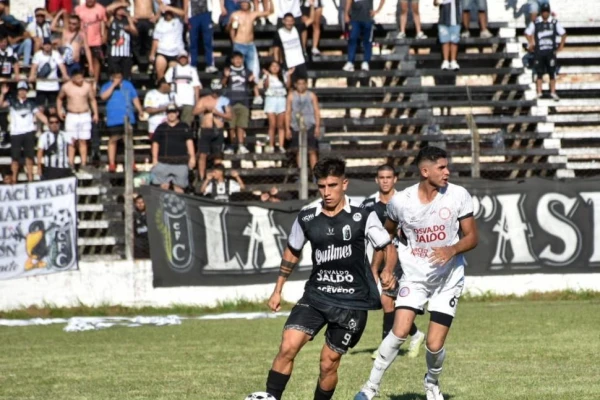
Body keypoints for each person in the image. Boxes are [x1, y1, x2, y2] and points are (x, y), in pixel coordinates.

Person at [265, 157, 397, 400]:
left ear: (344, 184)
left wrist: (387, 271)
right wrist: (277, 289)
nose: (327, 192)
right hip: (317, 296)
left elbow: (387, 245)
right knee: (287, 346)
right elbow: (293, 250)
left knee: (328, 363)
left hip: (352, 304)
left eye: (332, 185)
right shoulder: (307, 217)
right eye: (322, 186)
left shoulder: (362, 215)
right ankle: (271, 397)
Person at [354, 146, 479, 400]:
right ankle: (370, 387)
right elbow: (387, 235)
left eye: (447, 166)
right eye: (441, 167)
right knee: (399, 330)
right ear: (425, 171)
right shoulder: (401, 202)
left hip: (448, 277)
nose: (447, 172)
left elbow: (473, 237)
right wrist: (387, 267)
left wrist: (452, 249)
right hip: (414, 276)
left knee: (434, 345)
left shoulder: (458, 195)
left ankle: (431, 383)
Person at [361, 165, 425, 360]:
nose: (385, 181)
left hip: (402, 257)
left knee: (387, 301)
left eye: (389, 177)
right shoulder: (368, 205)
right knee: (395, 304)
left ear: (395, 179)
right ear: (376, 180)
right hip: (378, 256)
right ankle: (415, 334)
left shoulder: (404, 201)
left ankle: (385, 348)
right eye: (382, 177)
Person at [0, 82, 49, 182]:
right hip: (16, 133)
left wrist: (49, 123)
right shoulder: (12, 101)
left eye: (24, 90)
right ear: (17, 91)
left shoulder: (31, 103)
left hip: (28, 132)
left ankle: (30, 179)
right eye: (20, 90)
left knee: (29, 158)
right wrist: (2, 94)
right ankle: (14, 179)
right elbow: (1, 105)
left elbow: (40, 115)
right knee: (15, 159)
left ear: (27, 91)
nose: (22, 92)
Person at [227, 0, 271, 105]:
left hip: (250, 44)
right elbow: (230, 29)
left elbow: (269, 12)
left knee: (253, 71)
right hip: (239, 43)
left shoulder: (253, 14)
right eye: (242, 2)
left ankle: (256, 95)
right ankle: (235, 94)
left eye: (246, 2)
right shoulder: (235, 14)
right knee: (238, 70)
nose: (244, 4)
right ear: (240, 4)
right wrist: (234, 41)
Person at [100, 69, 144, 172]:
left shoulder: (128, 85)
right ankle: (111, 163)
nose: (118, 79)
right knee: (113, 140)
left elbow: (135, 98)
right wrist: (113, 85)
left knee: (128, 140)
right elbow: (103, 96)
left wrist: (140, 110)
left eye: (119, 77)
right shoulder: (107, 85)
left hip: (127, 117)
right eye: (115, 77)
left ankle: (131, 162)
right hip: (113, 118)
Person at [57, 69, 99, 169]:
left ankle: (83, 163)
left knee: (83, 140)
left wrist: (96, 113)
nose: (80, 80)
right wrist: (59, 111)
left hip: (84, 114)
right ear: (73, 78)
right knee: (71, 141)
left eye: (81, 77)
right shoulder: (66, 87)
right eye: (78, 78)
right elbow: (59, 98)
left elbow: (92, 100)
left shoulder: (87, 86)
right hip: (72, 115)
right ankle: (70, 163)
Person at [525, 2, 566, 101]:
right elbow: (527, 33)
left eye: (547, 12)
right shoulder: (536, 22)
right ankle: (539, 92)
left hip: (550, 52)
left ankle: (553, 92)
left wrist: (561, 47)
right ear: (541, 12)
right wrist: (531, 43)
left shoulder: (554, 22)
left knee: (552, 73)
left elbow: (563, 34)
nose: (545, 14)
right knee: (539, 73)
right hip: (539, 52)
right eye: (543, 12)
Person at [150, 103, 195, 193]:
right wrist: (154, 159)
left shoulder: (184, 127)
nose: (171, 114)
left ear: (177, 113)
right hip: (163, 162)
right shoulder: (161, 127)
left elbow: (189, 142)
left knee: (179, 188)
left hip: (180, 163)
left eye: (173, 112)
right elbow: (155, 143)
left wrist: (192, 157)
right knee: (163, 188)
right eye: (169, 112)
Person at [193, 79, 232, 181]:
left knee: (218, 155)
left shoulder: (224, 100)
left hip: (218, 130)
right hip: (206, 130)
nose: (215, 93)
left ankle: (218, 177)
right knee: (202, 155)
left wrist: (218, 113)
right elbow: (195, 112)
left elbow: (229, 116)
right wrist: (205, 108)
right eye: (214, 91)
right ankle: (202, 178)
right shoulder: (204, 100)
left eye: (217, 91)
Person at [222, 51, 255, 155]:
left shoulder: (247, 71)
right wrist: (226, 76)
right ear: (232, 60)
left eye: (240, 58)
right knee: (231, 126)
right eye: (236, 58)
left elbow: (252, 84)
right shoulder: (228, 70)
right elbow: (222, 84)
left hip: (243, 101)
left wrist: (252, 80)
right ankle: (232, 145)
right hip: (230, 102)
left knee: (241, 125)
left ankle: (241, 145)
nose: (238, 60)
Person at [286, 77, 320, 170]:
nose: (301, 86)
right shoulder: (291, 96)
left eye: (303, 83)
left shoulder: (311, 95)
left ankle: (315, 173)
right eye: (299, 84)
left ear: (306, 84)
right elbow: (288, 112)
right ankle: (301, 171)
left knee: (312, 150)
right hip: (296, 126)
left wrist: (317, 126)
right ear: (296, 85)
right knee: (299, 150)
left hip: (310, 125)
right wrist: (287, 128)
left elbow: (316, 111)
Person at [29, 37, 68, 115]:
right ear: (43, 46)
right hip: (41, 86)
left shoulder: (56, 54)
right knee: (40, 108)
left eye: (48, 44)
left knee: (52, 108)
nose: (47, 46)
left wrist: (65, 75)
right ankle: (39, 126)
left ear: (51, 45)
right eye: (45, 45)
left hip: (53, 86)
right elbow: (34, 66)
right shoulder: (38, 55)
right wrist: (32, 75)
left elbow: (61, 65)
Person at [343, 0, 385, 72]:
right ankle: (350, 62)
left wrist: (377, 11)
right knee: (352, 38)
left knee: (367, 41)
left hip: (367, 19)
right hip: (355, 18)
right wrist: (346, 13)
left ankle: (366, 61)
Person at [164, 51, 201, 127]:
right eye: (181, 58)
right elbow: (166, 84)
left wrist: (197, 103)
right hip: (175, 101)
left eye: (184, 58)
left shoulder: (192, 70)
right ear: (178, 59)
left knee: (187, 124)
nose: (183, 59)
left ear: (187, 58)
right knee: (173, 123)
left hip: (189, 101)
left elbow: (196, 87)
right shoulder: (172, 70)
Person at [150, 3, 186, 82]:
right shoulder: (160, 23)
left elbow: (184, 13)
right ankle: (161, 86)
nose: (168, 14)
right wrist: (152, 54)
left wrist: (168, 7)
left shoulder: (178, 21)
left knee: (173, 74)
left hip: (176, 52)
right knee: (160, 70)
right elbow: (156, 40)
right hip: (162, 51)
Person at [52, 12, 94, 77]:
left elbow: (87, 49)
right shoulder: (64, 31)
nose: (71, 25)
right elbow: (52, 27)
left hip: (75, 62)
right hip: (63, 61)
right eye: (70, 23)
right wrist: (59, 13)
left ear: (78, 24)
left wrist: (90, 65)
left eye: (74, 24)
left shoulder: (81, 34)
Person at [263, 61, 293, 153]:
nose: (275, 68)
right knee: (272, 125)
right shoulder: (267, 76)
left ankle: (281, 145)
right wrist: (267, 76)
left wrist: (289, 75)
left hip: (281, 100)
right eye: (273, 66)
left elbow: (288, 86)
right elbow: (266, 86)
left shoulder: (283, 76)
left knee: (281, 125)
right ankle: (271, 145)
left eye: (277, 66)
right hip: (271, 100)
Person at [273, 12, 312, 81]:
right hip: (288, 64)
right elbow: (276, 49)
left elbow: (311, 19)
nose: (289, 23)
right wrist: (277, 62)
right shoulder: (279, 33)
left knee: (303, 83)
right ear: (283, 21)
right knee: (290, 86)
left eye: (291, 21)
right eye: (287, 21)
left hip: (300, 62)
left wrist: (312, 5)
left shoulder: (297, 28)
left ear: (294, 21)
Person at [75, 0, 107, 83]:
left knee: (96, 60)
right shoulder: (78, 9)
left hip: (95, 38)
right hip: (82, 38)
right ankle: (80, 80)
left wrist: (103, 35)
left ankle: (95, 82)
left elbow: (103, 22)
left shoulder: (101, 8)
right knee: (80, 60)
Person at [106, 2, 138, 80]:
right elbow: (107, 9)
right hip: (114, 53)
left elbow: (135, 32)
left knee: (126, 77)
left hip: (126, 54)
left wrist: (128, 17)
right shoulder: (112, 19)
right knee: (114, 76)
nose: (121, 10)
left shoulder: (127, 21)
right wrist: (121, 4)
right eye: (119, 9)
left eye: (123, 9)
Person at [37, 114, 73, 180]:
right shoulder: (44, 136)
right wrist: (39, 167)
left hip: (63, 167)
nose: (54, 125)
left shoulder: (65, 135)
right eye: (51, 122)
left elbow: (71, 147)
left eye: (56, 122)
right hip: (49, 168)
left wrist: (71, 162)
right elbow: (40, 152)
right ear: (48, 124)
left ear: (59, 124)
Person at [188, 0, 218, 73]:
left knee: (208, 40)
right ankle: (193, 65)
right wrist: (186, 14)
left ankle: (210, 64)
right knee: (193, 41)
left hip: (206, 14)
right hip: (192, 15)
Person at [132, 0, 157, 73]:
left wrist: (156, 16)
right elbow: (125, 3)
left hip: (149, 20)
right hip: (137, 20)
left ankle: (150, 64)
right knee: (136, 43)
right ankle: (136, 63)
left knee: (149, 44)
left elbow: (161, 5)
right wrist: (130, 17)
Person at [435, 0, 461, 71]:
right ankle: (445, 60)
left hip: (455, 19)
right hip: (443, 19)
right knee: (444, 40)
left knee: (454, 40)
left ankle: (453, 60)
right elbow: (435, 3)